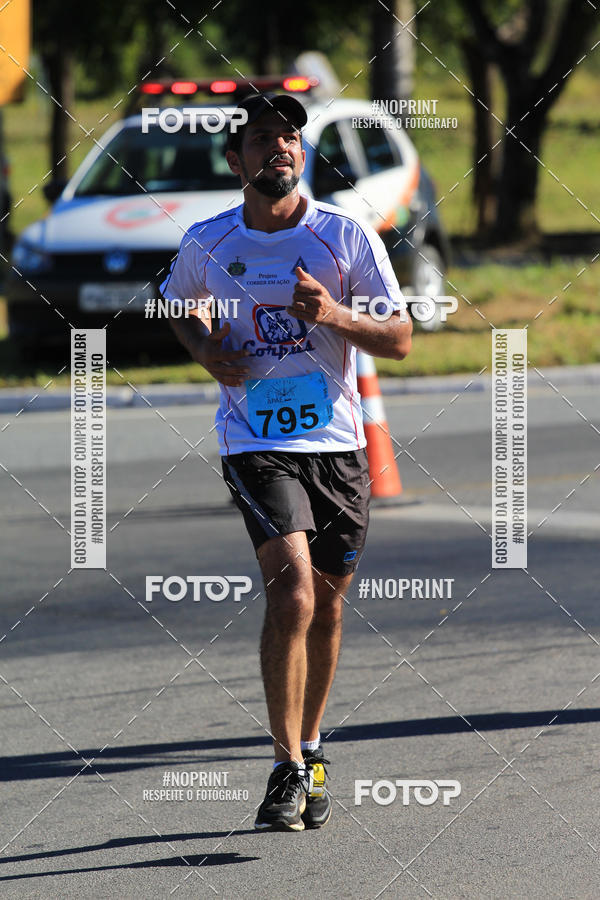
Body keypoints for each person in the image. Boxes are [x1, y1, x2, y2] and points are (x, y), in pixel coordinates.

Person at [161, 92, 412, 832]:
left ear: (302, 155)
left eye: (289, 138)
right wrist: (207, 348)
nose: (279, 147)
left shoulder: (344, 236)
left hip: (336, 446)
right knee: (295, 593)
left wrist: (331, 314)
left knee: (328, 605)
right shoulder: (210, 241)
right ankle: (282, 769)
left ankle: (311, 747)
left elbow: (398, 339)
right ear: (236, 160)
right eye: (262, 137)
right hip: (256, 441)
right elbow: (178, 303)